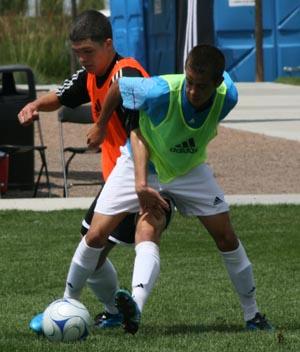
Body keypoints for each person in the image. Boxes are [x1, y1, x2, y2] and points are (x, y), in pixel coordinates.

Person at [85, 44, 274, 334]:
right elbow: (124, 99)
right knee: (114, 234)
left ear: (218, 83)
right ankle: (126, 307)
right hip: (145, 169)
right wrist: (100, 126)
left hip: (189, 171)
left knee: (226, 237)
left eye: (201, 86)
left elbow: (202, 124)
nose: (193, 91)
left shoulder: (229, 96)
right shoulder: (159, 90)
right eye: (189, 82)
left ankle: (253, 314)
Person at [18, 9, 172, 333]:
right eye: (77, 54)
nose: (83, 60)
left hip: (146, 174)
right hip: (117, 176)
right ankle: (115, 310)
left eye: (88, 52)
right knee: (96, 249)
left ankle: (81, 304)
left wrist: (100, 126)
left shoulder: (127, 71)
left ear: (108, 44)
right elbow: (61, 96)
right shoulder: (89, 75)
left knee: (137, 232)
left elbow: (138, 128)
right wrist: (34, 105)